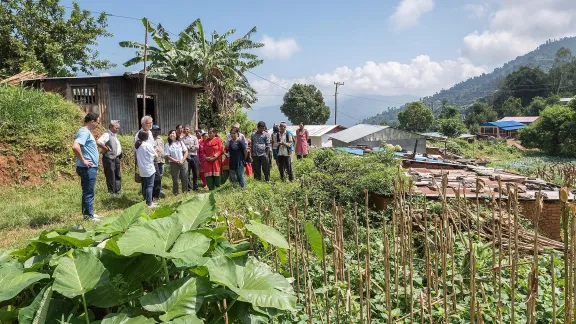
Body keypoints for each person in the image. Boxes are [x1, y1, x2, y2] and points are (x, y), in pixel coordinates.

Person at [72, 112, 101, 222]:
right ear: (92, 121)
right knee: (88, 191)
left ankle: (90, 212)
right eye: (97, 123)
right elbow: (75, 147)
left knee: (89, 190)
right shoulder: (84, 132)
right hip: (87, 168)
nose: (97, 125)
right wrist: (83, 160)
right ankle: (88, 216)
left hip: (89, 167)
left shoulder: (85, 132)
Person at [97, 120, 122, 196]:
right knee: (110, 175)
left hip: (116, 157)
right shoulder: (107, 134)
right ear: (110, 127)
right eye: (116, 128)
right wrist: (106, 148)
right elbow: (98, 142)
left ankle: (118, 191)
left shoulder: (114, 135)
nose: (117, 129)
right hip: (109, 158)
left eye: (118, 128)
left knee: (117, 174)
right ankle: (112, 192)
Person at [135, 131, 157, 208]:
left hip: (142, 169)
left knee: (145, 185)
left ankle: (146, 201)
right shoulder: (147, 145)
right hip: (149, 168)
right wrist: (156, 153)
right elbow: (154, 155)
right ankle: (149, 203)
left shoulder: (138, 146)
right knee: (150, 186)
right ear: (147, 137)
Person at [165, 129, 189, 195]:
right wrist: (176, 161)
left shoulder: (180, 142)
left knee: (185, 178)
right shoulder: (167, 144)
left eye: (173, 133)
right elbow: (168, 156)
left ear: (176, 135)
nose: (172, 134)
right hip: (173, 163)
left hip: (183, 162)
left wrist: (182, 160)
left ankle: (185, 192)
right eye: (171, 133)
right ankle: (175, 193)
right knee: (175, 179)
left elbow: (186, 151)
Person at [181, 125, 200, 191]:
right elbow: (182, 148)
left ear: (190, 130)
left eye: (187, 129)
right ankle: (189, 187)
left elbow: (197, 146)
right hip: (186, 157)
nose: (186, 131)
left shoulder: (194, 138)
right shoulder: (182, 139)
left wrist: (188, 147)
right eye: (185, 129)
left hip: (194, 156)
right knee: (187, 172)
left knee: (195, 172)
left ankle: (195, 186)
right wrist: (190, 147)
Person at [152, 125, 165, 199]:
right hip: (154, 161)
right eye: (155, 130)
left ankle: (159, 189)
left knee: (161, 175)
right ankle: (155, 190)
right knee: (156, 176)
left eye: (158, 130)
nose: (157, 131)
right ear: (152, 131)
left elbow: (162, 148)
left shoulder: (161, 139)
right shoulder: (150, 139)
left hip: (161, 160)